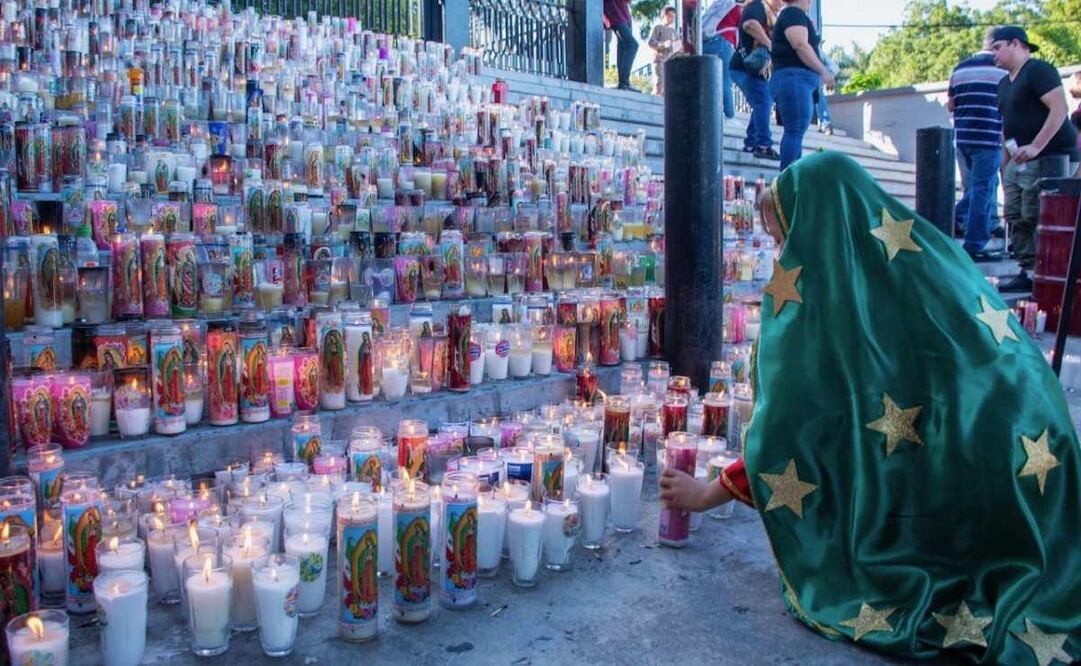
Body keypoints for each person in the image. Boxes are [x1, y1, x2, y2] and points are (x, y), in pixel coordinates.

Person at [661, 149, 1081, 663]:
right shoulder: (922, 265)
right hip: (1043, 466)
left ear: (818, 233)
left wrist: (705, 495)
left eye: (784, 238)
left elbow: (796, 434)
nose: (782, 256)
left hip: (990, 490)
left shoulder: (829, 312)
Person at [991, 25, 1080, 293]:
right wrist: (1005, 164)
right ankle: (1028, 270)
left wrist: (1036, 146)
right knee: (1014, 213)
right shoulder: (1002, 84)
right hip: (1018, 158)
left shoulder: (1039, 70)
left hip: (1052, 155)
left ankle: (1049, 270)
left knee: (1036, 213)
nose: (993, 54)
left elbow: (1059, 108)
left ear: (1016, 44)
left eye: (997, 47)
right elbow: (1006, 126)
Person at [947, 28, 1007, 262]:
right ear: (996, 45)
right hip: (988, 137)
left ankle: (962, 220)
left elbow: (951, 105)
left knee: (975, 188)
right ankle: (974, 244)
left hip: (963, 138)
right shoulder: (1002, 70)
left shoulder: (959, 69)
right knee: (983, 189)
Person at [767, 0, 834, 170]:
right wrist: (823, 71)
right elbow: (800, 44)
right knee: (795, 131)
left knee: (795, 132)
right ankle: (788, 180)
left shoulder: (792, 14)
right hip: (794, 79)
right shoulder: (793, 13)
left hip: (795, 79)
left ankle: (792, 178)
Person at [730, 0, 779, 160]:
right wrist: (769, 44)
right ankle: (763, 145)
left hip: (751, 69)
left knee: (762, 102)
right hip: (744, 67)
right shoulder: (757, 6)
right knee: (763, 101)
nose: (782, 2)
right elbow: (749, 25)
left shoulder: (769, 14)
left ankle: (751, 143)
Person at [702, 0, 742, 119]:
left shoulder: (722, 3)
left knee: (709, 79)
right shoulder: (737, 7)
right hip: (725, 42)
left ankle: (709, 110)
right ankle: (729, 114)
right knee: (725, 81)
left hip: (709, 41)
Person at [604, 0, 639, 91]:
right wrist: (603, 17)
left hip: (625, 15)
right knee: (633, 45)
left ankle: (623, 84)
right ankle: (624, 82)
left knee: (623, 47)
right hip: (615, 15)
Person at [648, 7, 680, 96]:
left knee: (669, 84)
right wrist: (663, 44)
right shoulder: (658, 28)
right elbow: (651, 43)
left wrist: (677, 46)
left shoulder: (674, 32)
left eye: (673, 17)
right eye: (670, 16)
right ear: (663, 16)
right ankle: (656, 98)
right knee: (660, 81)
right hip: (660, 59)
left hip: (670, 61)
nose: (671, 19)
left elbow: (678, 47)